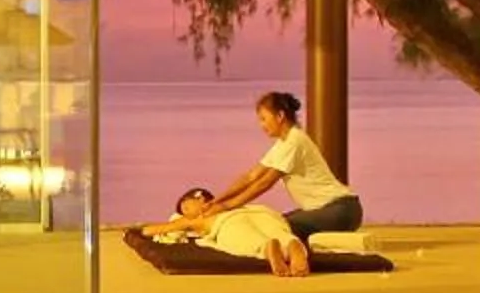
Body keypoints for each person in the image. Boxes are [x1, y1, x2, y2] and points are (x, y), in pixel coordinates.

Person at [148, 91, 363, 277]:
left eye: (263, 119)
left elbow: (263, 184)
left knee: (277, 226)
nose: (261, 125)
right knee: (271, 221)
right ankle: (289, 246)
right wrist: (218, 200)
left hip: (340, 209)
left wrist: (226, 207)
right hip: (330, 209)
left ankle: (290, 249)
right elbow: (251, 176)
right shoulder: (283, 143)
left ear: (280, 116)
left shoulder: (295, 141)